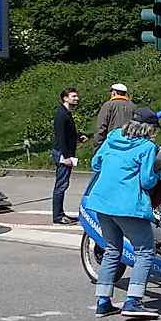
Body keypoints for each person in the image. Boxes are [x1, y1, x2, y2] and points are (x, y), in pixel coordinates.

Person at [87, 107, 161, 319]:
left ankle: (103, 301)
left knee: (112, 250)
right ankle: (133, 300)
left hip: (102, 201)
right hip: (127, 205)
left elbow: (95, 163)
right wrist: (160, 175)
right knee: (145, 251)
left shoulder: (112, 137)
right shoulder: (147, 147)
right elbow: (146, 180)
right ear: (149, 128)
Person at [52, 88, 88, 225]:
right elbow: (60, 137)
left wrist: (78, 137)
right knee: (61, 185)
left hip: (64, 153)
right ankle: (58, 216)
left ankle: (61, 214)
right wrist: (66, 156)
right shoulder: (61, 115)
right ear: (65, 98)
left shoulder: (66, 113)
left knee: (63, 184)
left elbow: (68, 134)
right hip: (62, 154)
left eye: (77, 96)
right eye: (73, 96)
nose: (76, 98)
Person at [94, 83, 137, 151]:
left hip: (112, 145)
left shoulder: (108, 105)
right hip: (130, 145)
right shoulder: (133, 107)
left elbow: (101, 127)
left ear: (114, 92)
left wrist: (98, 147)